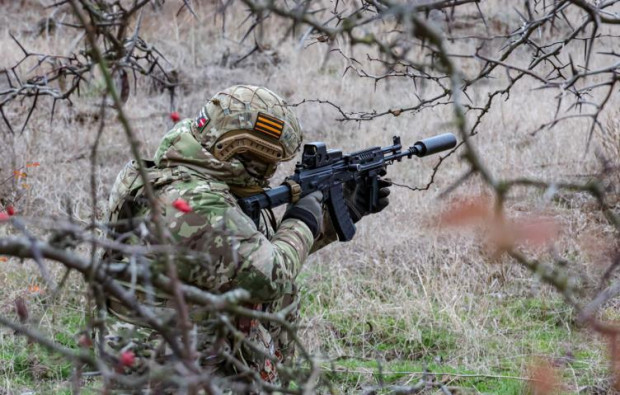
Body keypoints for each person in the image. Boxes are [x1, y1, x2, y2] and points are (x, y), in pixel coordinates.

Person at [102, 85, 390, 389]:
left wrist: (329, 220)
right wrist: (304, 216)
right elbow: (268, 277)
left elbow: (248, 257)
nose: (270, 172)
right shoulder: (191, 201)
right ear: (237, 150)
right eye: (266, 162)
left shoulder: (205, 179)